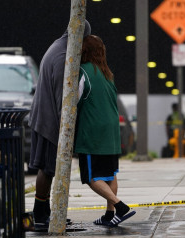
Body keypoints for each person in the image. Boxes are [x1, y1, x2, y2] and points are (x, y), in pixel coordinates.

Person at [28, 20, 91, 227]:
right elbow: (62, 98)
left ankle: (45, 214)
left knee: (48, 168)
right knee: (47, 168)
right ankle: (40, 216)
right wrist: (67, 131)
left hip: (43, 116)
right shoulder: (64, 56)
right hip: (49, 121)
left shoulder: (58, 47)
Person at [74, 35, 136, 227]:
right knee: (110, 174)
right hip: (111, 130)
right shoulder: (107, 73)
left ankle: (120, 207)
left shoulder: (82, 72)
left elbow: (73, 101)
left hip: (93, 131)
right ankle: (109, 215)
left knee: (91, 177)